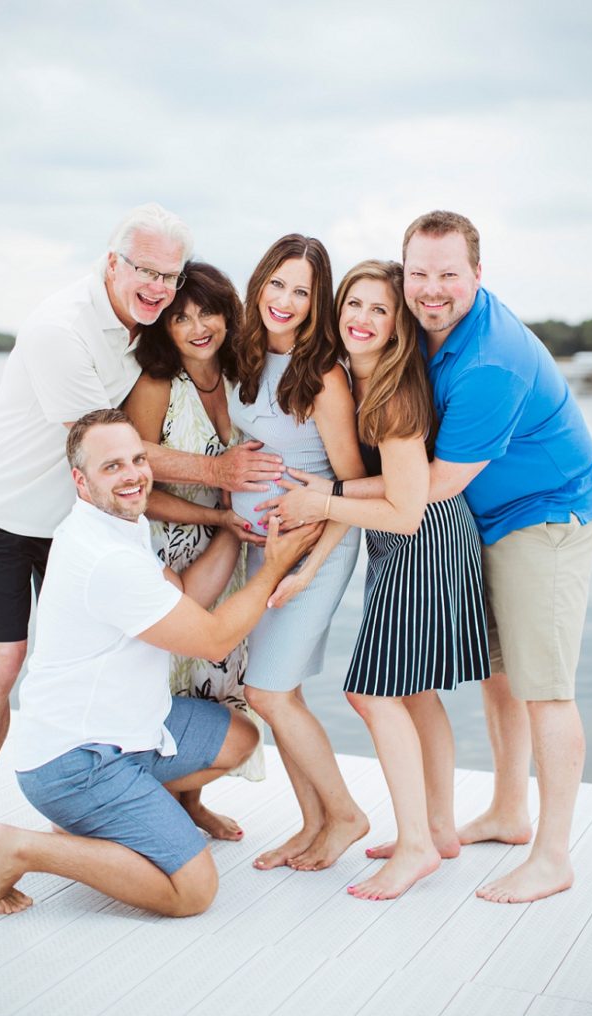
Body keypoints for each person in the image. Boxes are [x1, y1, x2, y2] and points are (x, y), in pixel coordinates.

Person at [0, 202, 284, 877]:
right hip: (7, 512)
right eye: (144, 270)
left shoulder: (146, 326)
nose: (160, 287)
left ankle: (104, 803)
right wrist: (220, 474)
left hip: (83, 522)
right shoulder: (61, 331)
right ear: (112, 263)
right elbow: (116, 450)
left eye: (169, 274)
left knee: (129, 651)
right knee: (6, 661)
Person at [0, 408, 320, 918]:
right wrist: (272, 566)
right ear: (80, 479)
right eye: (112, 466)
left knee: (239, 737)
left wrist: (231, 526)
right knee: (194, 891)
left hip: (130, 730)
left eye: (138, 459)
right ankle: (22, 847)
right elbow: (211, 640)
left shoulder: (117, 524)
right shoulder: (107, 559)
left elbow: (183, 595)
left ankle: (103, 819)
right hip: (76, 762)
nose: (134, 474)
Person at [259, 259, 490, 899]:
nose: (361, 318)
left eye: (379, 310)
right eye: (353, 304)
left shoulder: (391, 393)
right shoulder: (359, 379)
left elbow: (407, 508)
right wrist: (322, 517)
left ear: (397, 326)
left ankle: (416, 845)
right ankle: (437, 830)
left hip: (423, 543)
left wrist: (322, 503)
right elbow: (387, 483)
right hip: (410, 541)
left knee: (373, 694)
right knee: (414, 693)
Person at [400, 210, 592, 903]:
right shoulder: (424, 330)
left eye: (447, 274)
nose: (431, 289)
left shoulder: (491, 358)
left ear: (476, 276)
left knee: (544, 686)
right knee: (499, 674)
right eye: (418, 273)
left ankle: (552, 857)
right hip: (487, 517)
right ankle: (509, 811)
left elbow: (432, 485)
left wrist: (331, 496)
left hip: (545, 513)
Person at [227, 233, 369, 872]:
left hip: (315, 551)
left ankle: (344, 815)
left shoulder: (325, 379)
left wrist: (308, 566)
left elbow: (349, 486)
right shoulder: (244, 358)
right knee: (281, 691)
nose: (284, 300)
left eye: (302, 292)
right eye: (277, 284)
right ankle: (313, 823)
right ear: (259, 284)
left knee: (269, 692)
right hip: (264, 551)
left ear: (318, 305)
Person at [125, 261, 264, 842]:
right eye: (181, 317)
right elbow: (135, 489)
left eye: (207, 311)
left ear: (228, 313)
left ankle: (189, 802)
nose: (197, 326)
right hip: (171, 551)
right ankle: (150, 801)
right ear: (165, 326)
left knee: (215, 680)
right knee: (167, 680)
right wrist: (216, 517)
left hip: (232, 549)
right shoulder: (158, 383)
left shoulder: (241, 378)